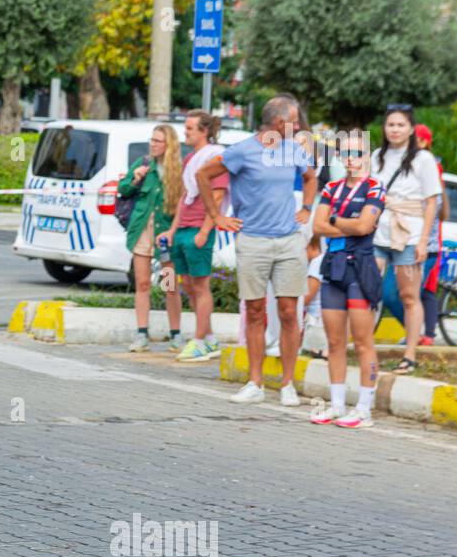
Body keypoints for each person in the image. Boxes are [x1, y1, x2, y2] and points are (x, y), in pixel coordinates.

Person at [196, 94, 317, 405]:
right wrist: (217, 216)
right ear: (278, 122)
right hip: (252, 241)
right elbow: (203, 176)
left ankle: (287, 385)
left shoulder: (293, 148)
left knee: (289, 311)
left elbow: (310, 178)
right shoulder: (242, 151)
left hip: (289, 240)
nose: (298, 126)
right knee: (254, 311)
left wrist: (306, 208)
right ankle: (255, 383)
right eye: (294, 121)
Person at [310, 131, 385, 428]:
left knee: (363, 342)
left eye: (358, 153)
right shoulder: (331, 187)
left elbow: (365, 226)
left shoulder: (374, 187)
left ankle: (364, 409)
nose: (352, 159)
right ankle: (337, 404)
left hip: (360, 268)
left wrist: (333, 221)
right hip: (334, 267)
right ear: (339, 157)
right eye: (347, 154)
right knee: (334, 341)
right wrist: (346, 225)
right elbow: (317, 226)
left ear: (367, 156)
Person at [370, 105, 440, 374]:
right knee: (368, 291)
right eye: (391, 125)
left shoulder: (423, 159)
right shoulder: (377, 156)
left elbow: (431, 202)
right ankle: (365, 347)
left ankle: (410, 354)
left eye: (400, 125)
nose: (395, 130)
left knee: (409, 296)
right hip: (378, 233)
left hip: (410, 235)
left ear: (411, 129)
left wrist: (423, 242)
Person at [163, 110, 226, 362]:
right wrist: (172, 229)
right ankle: (209, 338)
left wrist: (204, 230)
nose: (185, 133)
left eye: (190, 128)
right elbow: (184, 196)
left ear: (204, 131)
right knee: (187, 285)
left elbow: (218, 197)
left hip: (200, 228)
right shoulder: (190, 159)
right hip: (183, 229)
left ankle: (198, 341)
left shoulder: (216, 158)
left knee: (200, 286)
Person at [119, 124, 183, 352]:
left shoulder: (178, 171)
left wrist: (173, 231)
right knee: (142, 283)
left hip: (165, 236)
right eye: (152, 140)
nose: (152, 144)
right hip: (142, 232)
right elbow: (123, 189)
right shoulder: (143, 164)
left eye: (158, 141)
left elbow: (182, 206)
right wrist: (134, 179)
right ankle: (141, 334)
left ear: (169, 145)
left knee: (169, 285)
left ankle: (175, 334)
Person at [414, 124, 448, 346]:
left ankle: (426, 334)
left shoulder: (430, 165)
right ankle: (424, 333)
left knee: (423, 287)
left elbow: (436, 206)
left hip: (428, 239)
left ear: (425, 142)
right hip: (418, 237)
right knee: (423, 288)